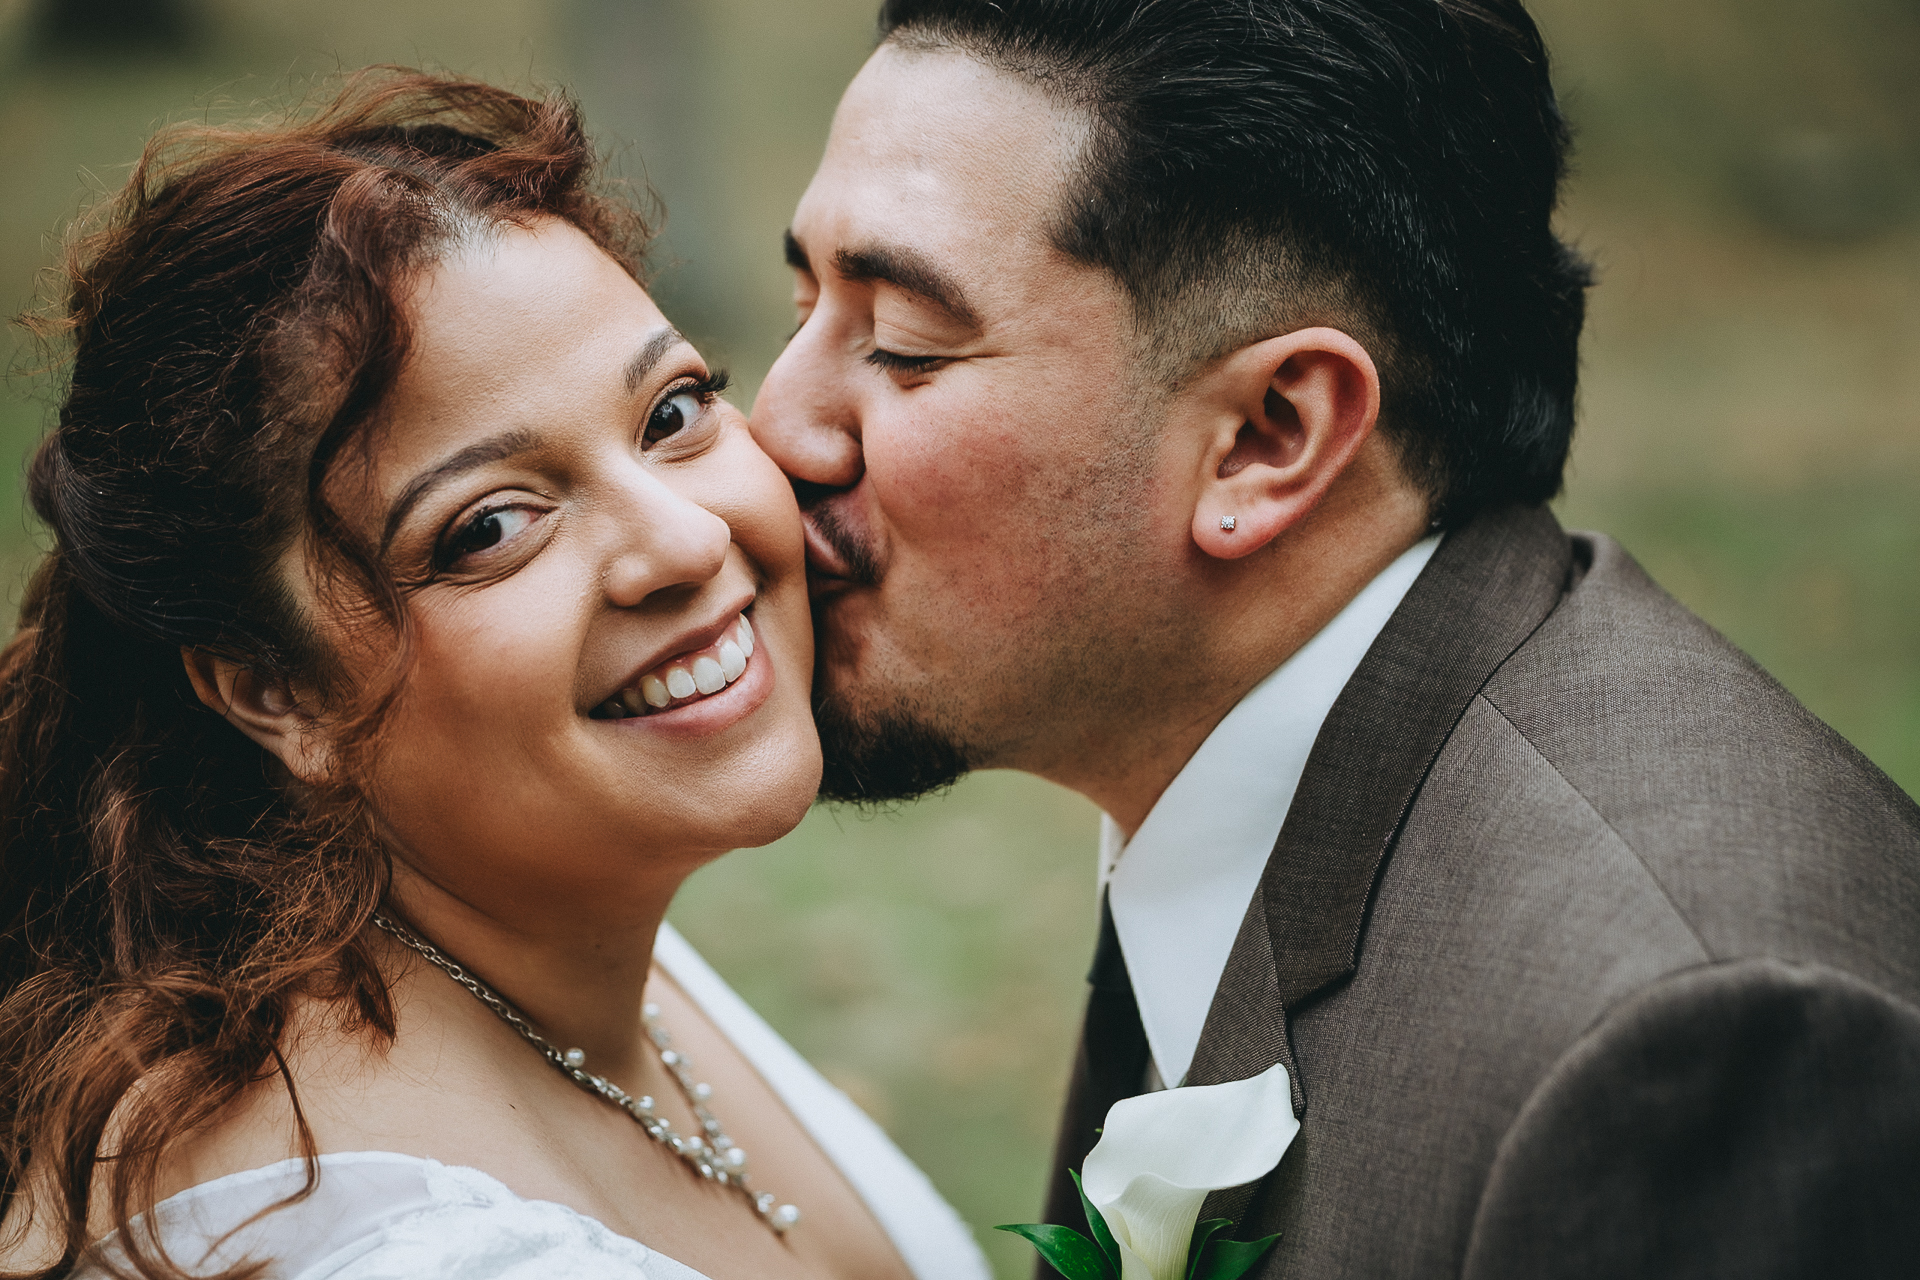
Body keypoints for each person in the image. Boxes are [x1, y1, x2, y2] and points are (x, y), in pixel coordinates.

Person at [749, 1, 1920, 1275]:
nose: (780, 428)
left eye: (905, 343)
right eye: (805, 298)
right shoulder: (1276, 781)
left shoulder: (1688, 1047)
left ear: (1268, 436)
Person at [0, 71, 989, 1280]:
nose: (684, 540)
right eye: (488, 527)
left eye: (672, 412)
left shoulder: (573, 925)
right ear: (279, 691)